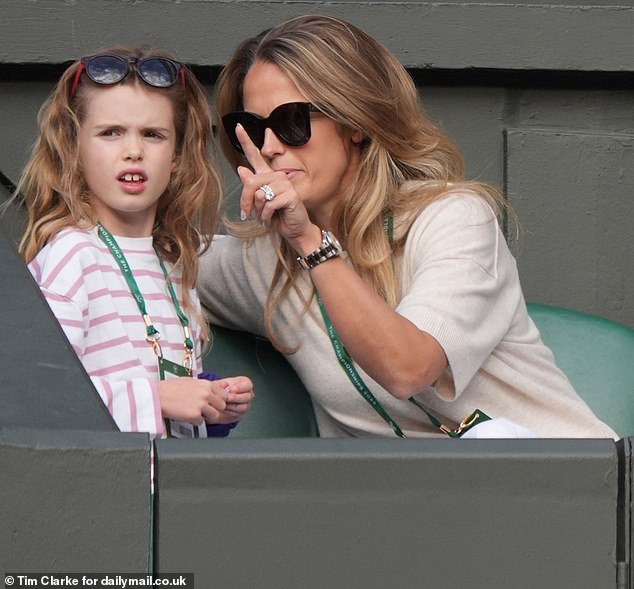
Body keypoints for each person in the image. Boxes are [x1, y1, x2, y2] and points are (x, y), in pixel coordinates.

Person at [198, 14, 616, 439]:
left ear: (356, 122)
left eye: (292, 122)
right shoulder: (266, 264)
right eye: (252, 128)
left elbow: (408, 368)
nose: (269, 147)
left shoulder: (453, 217)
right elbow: (151, 260)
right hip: (420, 501)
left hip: (569, 486)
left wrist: (310, 242)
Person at [16, 47, 254, 438]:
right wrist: (156, 398)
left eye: (153, 135)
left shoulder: (173, 261)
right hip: (101, 491)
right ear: (75, 149)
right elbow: (39, 397)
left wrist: (212, 401)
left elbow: (165, 390)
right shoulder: (71, 255)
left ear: (177, 154)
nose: (133, 151)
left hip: (169, 492)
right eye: (110, 133)